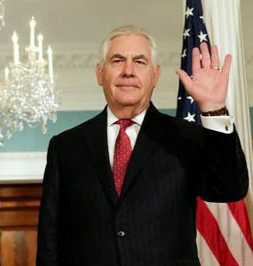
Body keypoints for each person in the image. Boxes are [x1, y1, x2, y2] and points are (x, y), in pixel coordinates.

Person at [36, 25, 248, 266]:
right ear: (99, 73)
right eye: (117, 60)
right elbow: (49, 240)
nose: (128, 71)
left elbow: (230, 188)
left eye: (139, 61)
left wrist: (213, 108)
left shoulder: (185, 137)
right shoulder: (66, 147)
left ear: (155, 75)